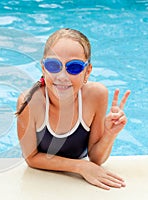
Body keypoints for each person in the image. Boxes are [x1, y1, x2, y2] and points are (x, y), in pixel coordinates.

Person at [16, 28, 130, 190]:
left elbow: (96, 159)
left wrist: (110, 134)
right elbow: (31, 158)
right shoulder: (30, 102)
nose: (62, 76)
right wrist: (80, 167)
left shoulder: (96, 95)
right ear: (43, 68)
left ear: (87, 71)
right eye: (53, 65)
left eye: (74, 67)